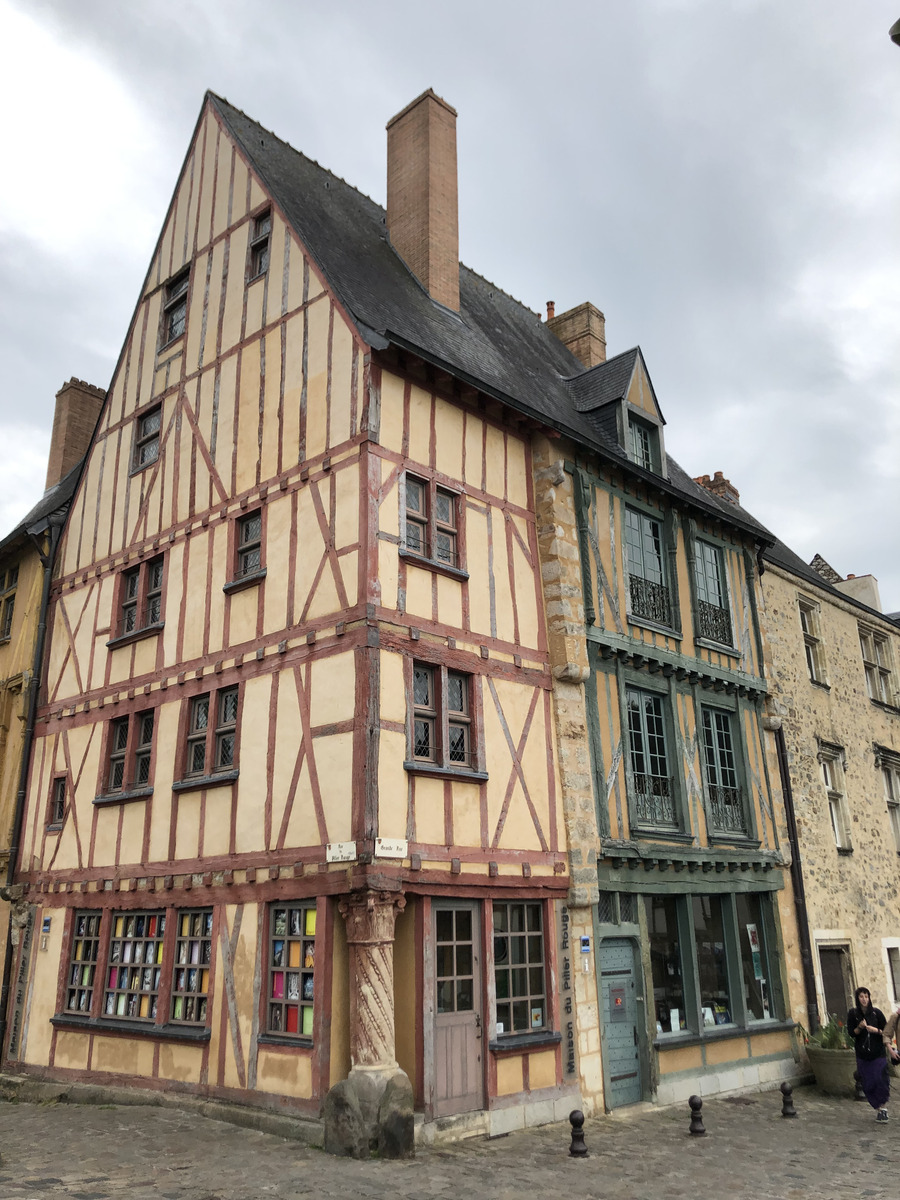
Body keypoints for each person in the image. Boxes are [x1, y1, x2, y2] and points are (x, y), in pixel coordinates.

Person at [848, 986, 891, 1122]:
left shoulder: (876, 1013)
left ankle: (883, 1109)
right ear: (857, 999)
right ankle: (878, 1108)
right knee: (868, 1083)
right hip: (863, 1054)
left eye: (866, 996)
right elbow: (851, 1033)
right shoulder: (853, 1014)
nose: (864, 999)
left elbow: (886, 1031)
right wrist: (859, 1028)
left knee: (880, 1079)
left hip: (878, 1053)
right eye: (861, 996)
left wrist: (876, 1030)